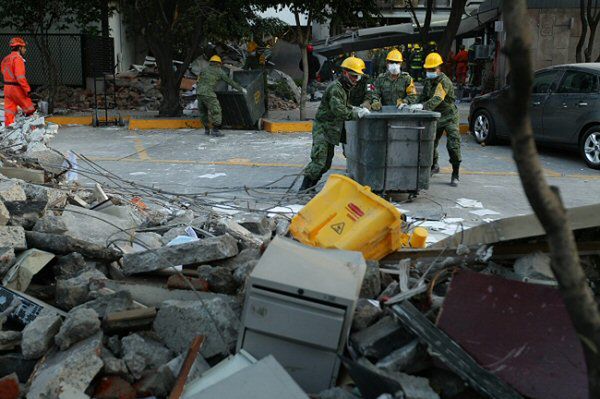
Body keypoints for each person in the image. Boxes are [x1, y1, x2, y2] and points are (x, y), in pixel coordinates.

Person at [299, 56, 371, 191]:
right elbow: (339, 111)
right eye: (354, 76)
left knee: (326, 164)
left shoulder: (345, 88)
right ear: (345, 73)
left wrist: (355, 109)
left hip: (331, 130)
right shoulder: (336, 89)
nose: (356, 80)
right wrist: (357, 113)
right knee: (319, 162)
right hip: (324, 129)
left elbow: (345, 106)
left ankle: (311, 187)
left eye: (358, 77)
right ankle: (304, 189)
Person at [410, 52, 461, 187]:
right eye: (428, 69)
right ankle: (434, 165)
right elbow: (423, 97)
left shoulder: (444, 82)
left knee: (453, 145)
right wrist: (411, 104)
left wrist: (422, 106)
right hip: (435, 116)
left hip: (449, 116)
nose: (430, 72)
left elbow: (437, 98)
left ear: (439, 68)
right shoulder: (428, 81)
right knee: (430, 143)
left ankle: (455, 172)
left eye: (432, 69)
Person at [196, 55, 247, 137]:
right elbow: (229, 81)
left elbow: (198, 81)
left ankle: (206, 130)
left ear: (211, 62)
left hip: (199, 93)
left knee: (203, 112)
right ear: (219, 63)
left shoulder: (204, 70)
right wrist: (241, 89)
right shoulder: (219, 71)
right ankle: (215, 130)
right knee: (216, 110)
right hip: (208, 94)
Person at [1, 37, 35, 127]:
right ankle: (33, 132)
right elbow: (20, 77)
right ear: (19, 48)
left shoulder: (5, 59)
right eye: (24, 48)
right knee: (29, 109)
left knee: (9, 111)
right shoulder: (18, 58)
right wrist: (27, 90)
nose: (25, 50)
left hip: (7, 88)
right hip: (17, 89)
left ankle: (9, 132)